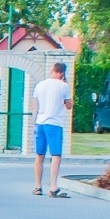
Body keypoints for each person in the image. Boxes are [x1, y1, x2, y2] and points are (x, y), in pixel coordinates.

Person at [33, 61, 73, 198]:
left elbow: (35, 107)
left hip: (40, 123)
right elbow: (69, 105)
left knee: (39, 156)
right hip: (55, 124)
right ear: (62, 73)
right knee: (56, 155)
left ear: (52, 71)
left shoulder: (39, 85)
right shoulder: (64, 86)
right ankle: (53, 186)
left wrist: (34, 124)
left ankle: (38, 186)